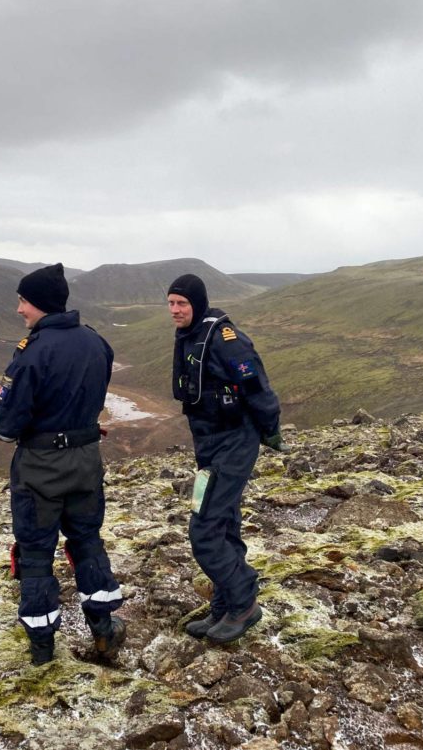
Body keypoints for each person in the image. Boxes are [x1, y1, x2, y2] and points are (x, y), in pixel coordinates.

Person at [0, 263, 125, 665]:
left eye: (23, 301)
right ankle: (103, 632)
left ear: (41, 304)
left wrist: (4, 429)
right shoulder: (96, 343)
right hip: (85, 463)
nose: (19, 310)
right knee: (87, 542)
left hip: (40, 470)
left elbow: (9, 423)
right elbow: (91, 399)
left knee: (35, 554)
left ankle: (42, 650)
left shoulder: (32, 353)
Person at [167, 274, 286, 644]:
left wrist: (270, 428)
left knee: (204, 530)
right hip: (210, 443)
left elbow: (255, 386)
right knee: (224, 523)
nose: (175, 310)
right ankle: (224, 607)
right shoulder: (190, 337)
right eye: (170, 303)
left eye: (182, 304)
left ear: (197, 304)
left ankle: (244, 601)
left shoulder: (224, 339)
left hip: (235, 441)